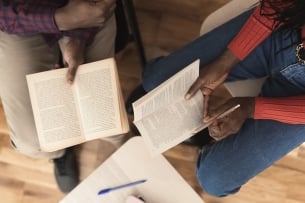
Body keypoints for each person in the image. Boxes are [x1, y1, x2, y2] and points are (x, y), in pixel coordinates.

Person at [127, 0, 305, 197]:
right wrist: (225, 61)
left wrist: (252, 107)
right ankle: (196, 128)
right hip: (286, 26)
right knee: (156, 81)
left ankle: (204, 138)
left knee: (215, 179)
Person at [0, 0, 127, 193]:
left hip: (86, 4)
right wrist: (58, 20)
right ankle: (61, 152)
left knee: (107, 118)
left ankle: (129, 146)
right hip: (14, 17)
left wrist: (78, 38)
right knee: (33, 141)